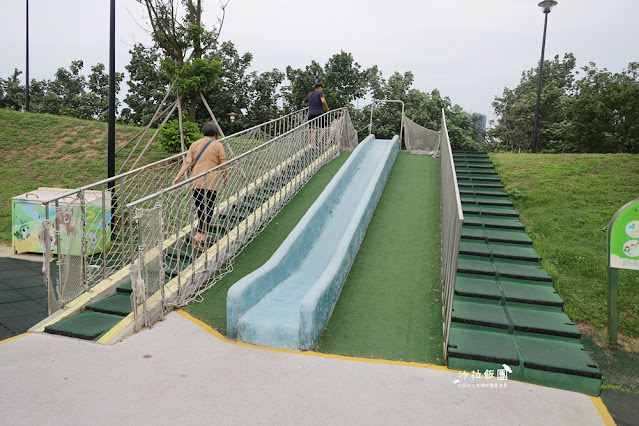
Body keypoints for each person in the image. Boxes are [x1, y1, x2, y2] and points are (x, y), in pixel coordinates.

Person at [173, 122, 228, 251]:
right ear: (216, 133)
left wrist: (178, 176)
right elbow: (224, 165)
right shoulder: (218, 145)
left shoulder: (194, 144)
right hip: (210, 181)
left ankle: (202, 234)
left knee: (200, 208)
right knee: (208, 208)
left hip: (196, 180)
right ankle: (200, 235)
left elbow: (187, 162)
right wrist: (226, 180)